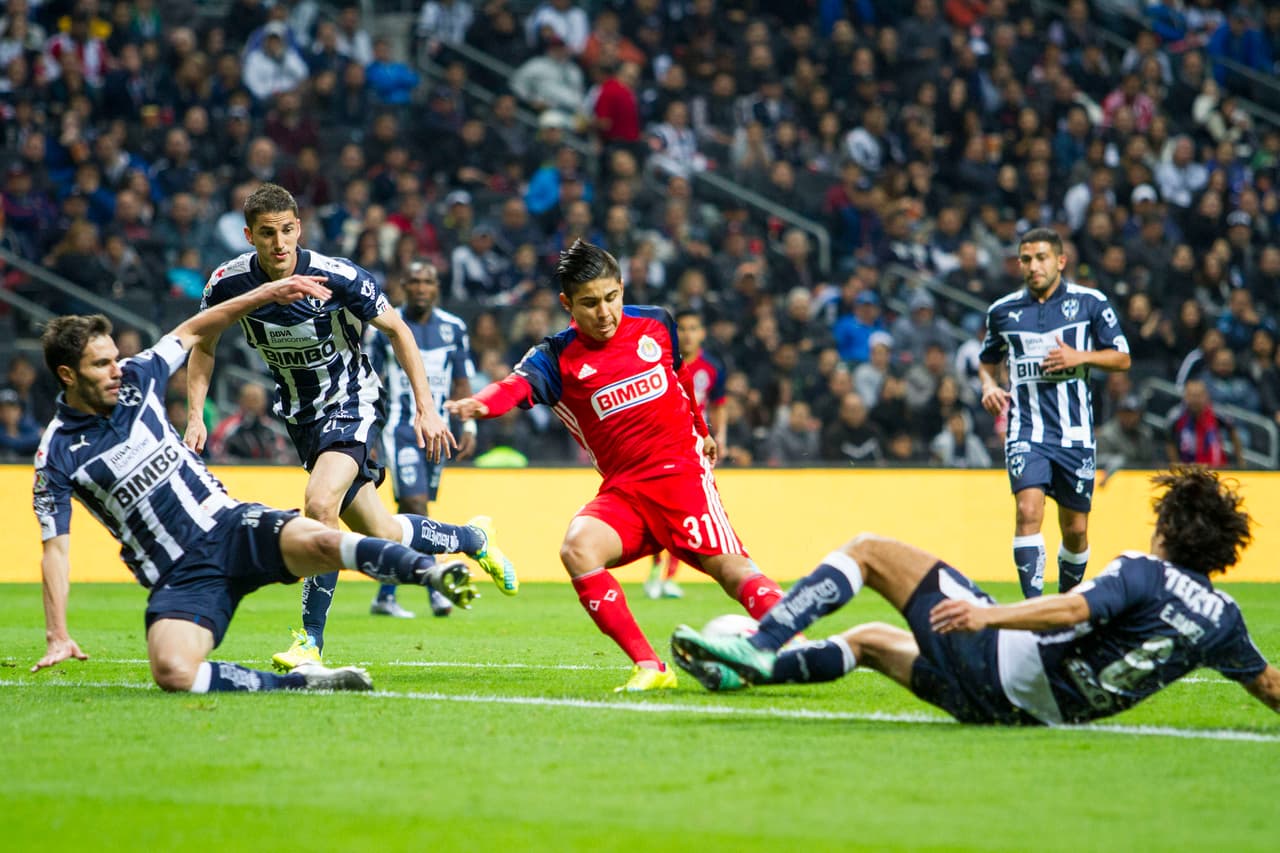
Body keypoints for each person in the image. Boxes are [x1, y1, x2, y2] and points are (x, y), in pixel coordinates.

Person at [30, 288, 482, 693]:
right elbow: (55, 550)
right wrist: (57, 633)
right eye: (101, 364)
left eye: (114, 358)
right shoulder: (58, 454)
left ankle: (431, 573)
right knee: (172, 672)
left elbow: (194, 329)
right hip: (181, 577)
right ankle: (300, 683)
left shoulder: (138, 376)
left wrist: (265, 293)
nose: (116, 370)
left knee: (322, 536)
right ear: (68, 375)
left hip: (231, 526)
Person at [187, 183, 517, 672]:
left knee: (320, 504)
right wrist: (196, 414)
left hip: (352, 403)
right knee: (382, 530)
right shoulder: (227, 283)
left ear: (299, 228)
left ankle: (309, 641)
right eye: (267, 234)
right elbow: (204, 346)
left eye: (286, 230)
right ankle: (472, 539)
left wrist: (427, 408)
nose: (279, 243)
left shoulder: (338, 276)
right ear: (249, 236)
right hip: (301, 418)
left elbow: (398, 330)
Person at [671, 466, 1280, 725]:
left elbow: (1070, 608)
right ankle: (743, 675)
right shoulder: (1224, 619)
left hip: (999, 663)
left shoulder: (1144, 571)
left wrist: (989, 615)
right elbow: (1271, 688)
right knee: (871, 641)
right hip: (1016, 713)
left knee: (868, 551)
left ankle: (762, 643)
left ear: (1168, 528)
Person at [446, 240, 787, 692]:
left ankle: (799, 643)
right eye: (590, 303)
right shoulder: (555, 358)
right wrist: (480, 405)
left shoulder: (657, 323)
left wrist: (703, 429)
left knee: (731, 570)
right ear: (567, 304)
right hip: (625, 491)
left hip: (681, 476)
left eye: (611, 297)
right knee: (578, 548)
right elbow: (513, 387)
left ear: (622, 288)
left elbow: (680, 376)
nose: (605, 312)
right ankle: (651, 667)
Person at [979, 228, 1131, 599]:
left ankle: (1065, 606)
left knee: (1076, 530)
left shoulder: (1091, 303)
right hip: (1026, 431)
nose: (1034, 266)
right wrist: (988, 386)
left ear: (1061, 261)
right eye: (1026, 259)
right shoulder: (1002, 312)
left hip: (1076, 434)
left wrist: (1081, 357)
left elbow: (1122, 357)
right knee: (1028, 512)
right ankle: (1034, 610)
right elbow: (987, 360)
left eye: (1042, 258)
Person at [367, 259, 479, 619]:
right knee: (416, 506)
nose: (420, 288)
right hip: (399, 430)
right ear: (403, 286)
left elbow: (462, 380)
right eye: (414, 282)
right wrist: (370, 434)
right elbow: (370, 381)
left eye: (427, 282)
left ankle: (386, 593)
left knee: (410, 514)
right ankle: (436, 585)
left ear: (437, 288)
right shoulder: (383, 325)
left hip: (438, 432)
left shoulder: (454, 327)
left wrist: (469, 426)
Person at [645, 309, 727, 601]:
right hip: (660, 442)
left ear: (702, 333)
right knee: (658, 509)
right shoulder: (660, 361)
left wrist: (720, 436)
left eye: (694, 328)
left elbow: (719, 404)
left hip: (694, 445)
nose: (688, 335)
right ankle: (657, 569)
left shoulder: (712, 367)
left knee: (685, 510)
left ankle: (668, 577)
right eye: (683, 329)